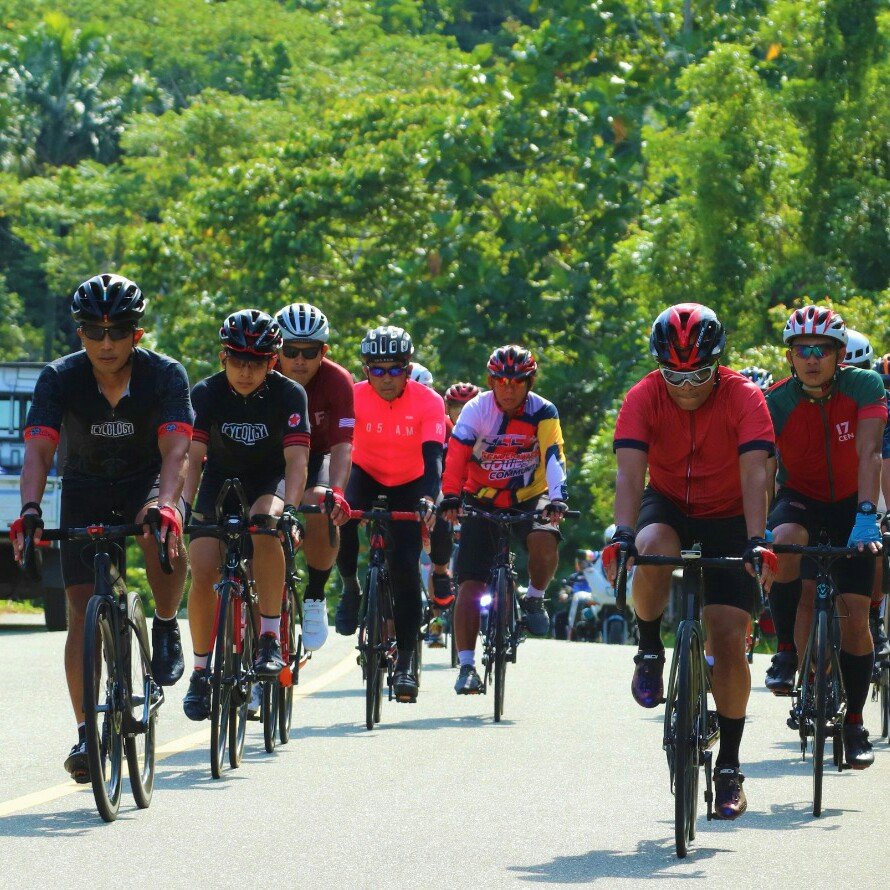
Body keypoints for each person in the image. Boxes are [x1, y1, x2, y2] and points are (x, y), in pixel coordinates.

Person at [11, 273, 193, 782]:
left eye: (119, 332)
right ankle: (87, 733)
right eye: (95, 331)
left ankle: (162, 623)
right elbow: (40, 450)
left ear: (138, 333)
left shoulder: (165, 375)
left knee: (164, 534)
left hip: (148, 481)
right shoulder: (59, 378)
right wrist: (29, 508)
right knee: (78, 610)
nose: (106, 343)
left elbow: (176, 450)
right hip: (86, 486)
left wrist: (169, 504)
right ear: (80, 334)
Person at [602, 303, 776, 821]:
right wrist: (624, 536)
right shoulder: (643, 396)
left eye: (698, 373)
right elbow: (630, 476)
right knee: (651, 545)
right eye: (672, 373)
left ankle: (728, 767)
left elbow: (756, 478)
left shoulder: (745, 397)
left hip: (729, 511)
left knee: (727, 636)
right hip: (671, 501)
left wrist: (755, 540)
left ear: (718, 364)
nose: (684, 385)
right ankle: (650, 649)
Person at [765, 305, 884, 770]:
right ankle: (786, 653)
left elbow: (870, 450)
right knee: (786, 539)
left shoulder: (864, 387)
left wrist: (867, 513)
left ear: (838, 355)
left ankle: (854, 722)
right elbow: (765, 466)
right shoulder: (775, 401)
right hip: (801, 500)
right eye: (802, 350)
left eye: (822, 350)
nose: (812, 358)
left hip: (853, 504)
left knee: (856, 616)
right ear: (791, 357)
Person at [181, 309, 310, 721]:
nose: (246, 371)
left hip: (266, 480)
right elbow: (194, 457)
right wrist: (183, 506)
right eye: (237, 360)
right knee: (201, 569)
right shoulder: (205, 394)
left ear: (272, 361)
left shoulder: (290, 394)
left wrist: (289, 509)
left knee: (263, 524)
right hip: (219, 480)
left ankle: (269, 636)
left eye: (256, 362)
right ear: (224, 357)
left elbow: (296, 459)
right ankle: (201, 673)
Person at [440, 346, 568, 694]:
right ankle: (467, 666)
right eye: (500, 381)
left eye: (516, 382)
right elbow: (456, 456)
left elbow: (553, 454)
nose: (508, 388)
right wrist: (450, 495)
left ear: (529, 382)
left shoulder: (543, 410)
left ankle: (535, 597)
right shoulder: (476, 409)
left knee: (545, 536)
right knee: (470, 585)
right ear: (490, 381)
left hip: (530, 495)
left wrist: (558, 497)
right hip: (481, 498)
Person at [334, 325, 446, 703]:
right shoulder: (352, 397)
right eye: (376, 369)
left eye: (394, 369)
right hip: (365, 473)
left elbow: (434, 459)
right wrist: (336, 492)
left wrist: (430, 499)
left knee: (403, 569)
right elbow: (342, 448)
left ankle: (406, 662)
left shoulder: (429, 401)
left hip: (411, 481)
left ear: (408, 367)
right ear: (365, 369)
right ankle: (350, 586)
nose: (384, 378)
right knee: (343, 513)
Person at [274, 302, 354, 652]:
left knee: (320, 501)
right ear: (277, 349)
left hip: (317, 455)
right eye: (290, 351)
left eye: (309, 352)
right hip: (271, 458)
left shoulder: (338, 381)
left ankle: (315, 594)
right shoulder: (260, 373)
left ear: (324, 351)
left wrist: (337, 490)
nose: (299, 361)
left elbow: (342, 446)